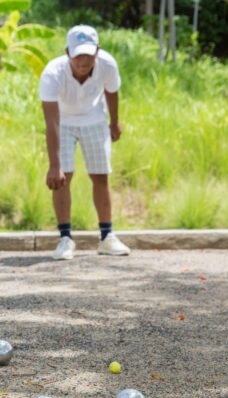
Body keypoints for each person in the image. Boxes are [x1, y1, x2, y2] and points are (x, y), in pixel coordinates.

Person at [39, 25, 131, 260]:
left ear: (97, 51)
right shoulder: (52, 73)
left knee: (100, 176)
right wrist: (54, 164)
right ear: (67, 52)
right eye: (78, 54)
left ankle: (107, 237)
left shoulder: (107, 65)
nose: (84, 60)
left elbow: (112, 91)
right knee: (62, 178)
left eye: (88, 54)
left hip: (94, 119)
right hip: (63, 122)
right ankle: (65, 239)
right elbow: (51, 122)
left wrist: (115, 122)